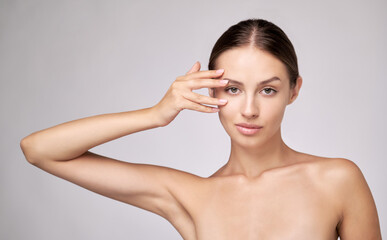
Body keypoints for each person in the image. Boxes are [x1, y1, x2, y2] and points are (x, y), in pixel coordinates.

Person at [20, 18, 381, 240]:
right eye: (233, 89)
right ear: (211, 91)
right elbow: (38, 149)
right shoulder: (193, 196)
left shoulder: (338, 180)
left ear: (294, 90)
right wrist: (156, 114)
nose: (250, 109)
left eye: (268, 90)